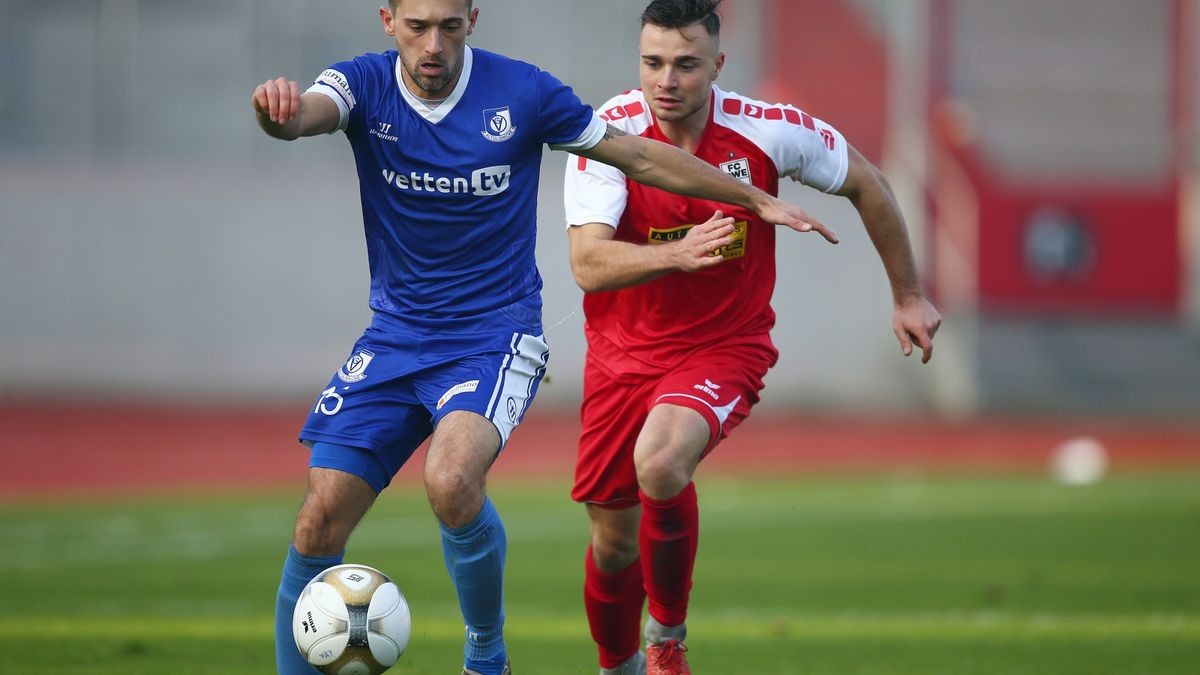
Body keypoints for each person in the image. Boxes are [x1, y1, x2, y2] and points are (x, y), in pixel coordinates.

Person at [251, 1, 836, 673]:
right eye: (417, 26)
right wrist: (281, 115)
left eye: (450, 24)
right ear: (388, 21)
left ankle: (486, 655)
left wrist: (752, 199)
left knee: (449, 478)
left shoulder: (524, 93)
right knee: (317, 519)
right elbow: (305, 115)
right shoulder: (362, 84)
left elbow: (639, 155)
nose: (433, 42)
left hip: (493, 335)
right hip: (394, 336)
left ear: (474, 18)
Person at [563, 1, 943, 673]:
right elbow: (589, 265)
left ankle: (668, 642)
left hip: (721, 346)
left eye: (686, 64)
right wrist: (675, 255)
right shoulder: (605, 136)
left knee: (661, 459)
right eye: (653, 63)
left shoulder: (768, 130)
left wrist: (908, 295)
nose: (667, 81)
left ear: (719, 65)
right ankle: (615, 664)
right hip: (622, 357)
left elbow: (868, 182)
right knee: (613, 544)